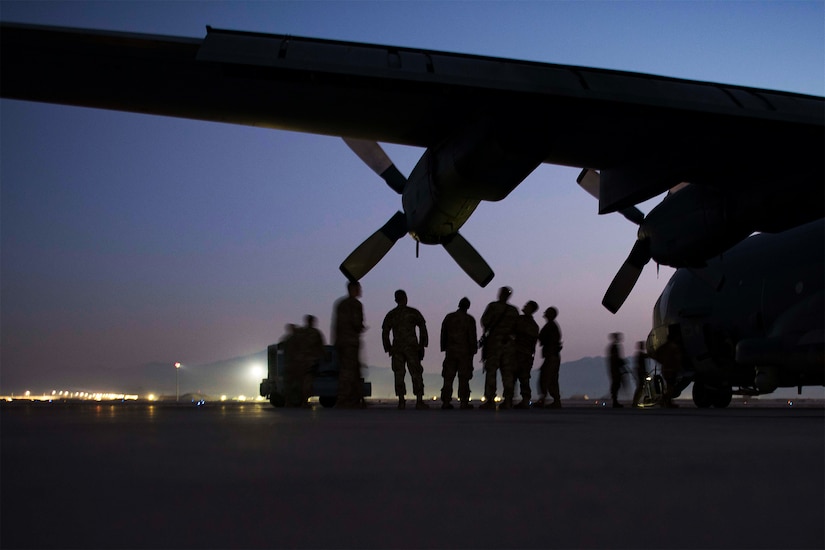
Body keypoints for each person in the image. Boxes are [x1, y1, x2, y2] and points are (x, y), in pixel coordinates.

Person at [382, 289, 429, 410]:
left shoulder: (391, 314)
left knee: (399, 374)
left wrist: (388, 348)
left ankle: (401, 401)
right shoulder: (413, 312)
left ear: (396, 300)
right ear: (405, 298)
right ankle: (419, 401)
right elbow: (423, 327)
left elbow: (385, 332)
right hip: (412, 348)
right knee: (416, 373)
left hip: (397, 349)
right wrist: (422, 345)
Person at [479, 286, 519, 410]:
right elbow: (517, 328)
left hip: (494, 344)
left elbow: (484, 321)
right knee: (508, 374)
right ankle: (508, 400)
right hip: (509, 345)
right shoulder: (513, 310)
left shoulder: (493, 307)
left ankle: (490, 400)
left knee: (491, 372)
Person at [439, 297, 478, 409]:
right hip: (464, 354)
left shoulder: (449, 317)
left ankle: (446, 402)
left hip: (451, 352)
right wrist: (473, 350)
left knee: (448, 377)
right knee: (464, 378)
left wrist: (444, 347)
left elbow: (443, 333)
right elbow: (472, 336)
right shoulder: (469, 319)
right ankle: (464, 402)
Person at [334, 281, 366, 408]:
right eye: (359, 288)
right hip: (350, 342)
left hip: (341, 342)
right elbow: (356, 323)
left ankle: (353, 399)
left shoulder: (340, 304)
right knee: (349, 372)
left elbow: (336, 325)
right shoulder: (355, 304)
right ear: (354, 289)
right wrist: (360, 328)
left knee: (349, 370)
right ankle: (344, 400)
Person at [509, 300, 539, 409]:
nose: (524, 306)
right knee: (524, 378)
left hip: (518, 353)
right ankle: (525, 400)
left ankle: (509, 400)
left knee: (513, 378)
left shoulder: (520, 321)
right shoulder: (534, 325)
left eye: (527, 306)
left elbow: (511, 332)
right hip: (526, 355)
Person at [294, 314, 326, 407]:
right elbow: (321, 346)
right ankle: (304, 402)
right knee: (308, 382)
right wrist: (325, 357)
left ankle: (298, 401)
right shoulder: (315, 333)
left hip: (300, 362)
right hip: (311, 362)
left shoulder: (300, 332)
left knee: (300, 382)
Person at [536, 307, 563, 408]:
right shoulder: (552, 326)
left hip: (551, 356)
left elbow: (541, 337)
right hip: (552, 356)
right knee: (549, 378)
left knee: (548, 378)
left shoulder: (550, 326)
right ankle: (550, 399)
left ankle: (548, 400)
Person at [280, 323, 302, 407]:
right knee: (299, 385)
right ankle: (299, 402)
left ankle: (288, 402)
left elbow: (281, 346)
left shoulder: (287, 340)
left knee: (288, 385)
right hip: (296, 366)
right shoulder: (298, 340)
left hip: (288, 365)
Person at [606, 332, 626, 408]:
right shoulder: (614, 347)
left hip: (615, 369)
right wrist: (622, 363)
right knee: (616, 385)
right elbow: (615, 359)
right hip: (615, 370)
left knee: (616, 385)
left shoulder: (613, 347)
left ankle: (615, 401)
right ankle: (615, 401)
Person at [632, 341, 648, 407]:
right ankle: (635, 402)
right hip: (640, 374)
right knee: (640, 388)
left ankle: (635, 402)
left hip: (641, 373)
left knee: (641, 387)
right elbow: (641, 366)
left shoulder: (640, 355)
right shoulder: (640, 355)